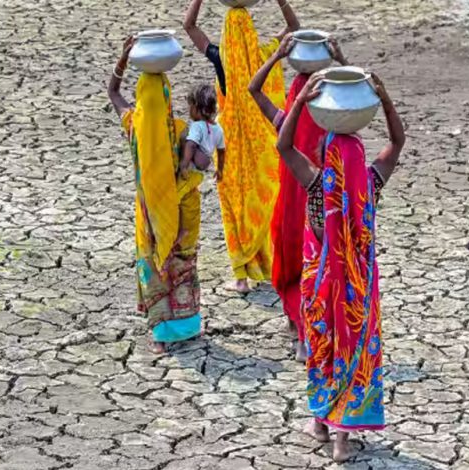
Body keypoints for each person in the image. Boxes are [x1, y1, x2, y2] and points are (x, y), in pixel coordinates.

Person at [276, 72, 405, 463]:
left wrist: (299, 103)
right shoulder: (370, 184)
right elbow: (398, 141)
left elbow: (283, 146)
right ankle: (341, 441)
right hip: (357, 291)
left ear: (327, 156)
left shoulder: (317, 185)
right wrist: (382, 97)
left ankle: (320, 422)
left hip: (320, 289)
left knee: (322, 350)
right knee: (352, 351)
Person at [184, 0, 300, 293]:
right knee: (261, 201)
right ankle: (271, 265)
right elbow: (294, 28)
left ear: (225, 34)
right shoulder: (263, 56)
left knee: (234, 203)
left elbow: (189, 26)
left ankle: (240, 276)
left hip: (230, 143)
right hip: (260, 142)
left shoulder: (219, 57)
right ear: (250, 31)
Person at [248, 33, 348, 363]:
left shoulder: (288, 128)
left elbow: (254, 89)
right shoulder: (328, 127)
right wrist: (341, 62)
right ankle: (306, 335)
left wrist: (278, 55)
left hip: (298, 205)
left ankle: (301, 334)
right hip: (320, 205)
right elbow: (356, 103)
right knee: (315, 268)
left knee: (297, 267)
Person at [108, 36, 203, 354]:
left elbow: (112, 93)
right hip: (180, 213)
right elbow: (202, 165)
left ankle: (161, 336)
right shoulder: (180, 129)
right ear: (167, 97)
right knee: (181, 266)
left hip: (146, 215)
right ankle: (188, 325)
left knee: (154, 268)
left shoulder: (135, 126)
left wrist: (122, 61)